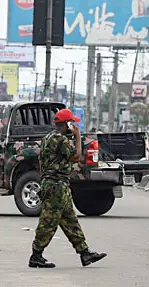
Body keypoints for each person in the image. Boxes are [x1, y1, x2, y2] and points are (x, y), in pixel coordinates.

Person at [29, 109, 107, 268]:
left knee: (70, 220)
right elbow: (76, 156)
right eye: (72, 123)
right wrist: (78, 135)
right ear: (66, 124)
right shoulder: (60, 139)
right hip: (55, 185)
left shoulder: (48, 137)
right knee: (49, 221)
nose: (74, 126)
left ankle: (84, 253)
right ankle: (36, 255)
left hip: (57, 184)